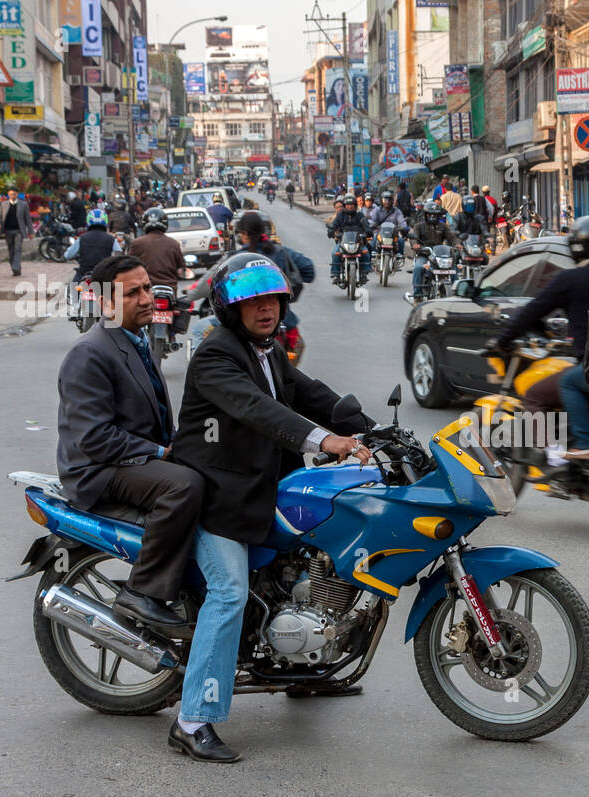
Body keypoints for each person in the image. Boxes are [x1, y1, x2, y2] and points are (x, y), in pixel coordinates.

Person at [168, 253, 375, 762]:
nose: (266, 309)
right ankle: (191, 720)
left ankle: (305, 668)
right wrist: (326, 442)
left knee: (313, 555)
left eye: (273, 300)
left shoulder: (269, 351)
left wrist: (369, 429)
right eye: (253, 302)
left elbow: (308, 394)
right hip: (219, 499)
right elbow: (261, 411)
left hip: (260, 489)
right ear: (230, 308)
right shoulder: (217, 356)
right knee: (230, 593)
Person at [55, 254, 205, 630]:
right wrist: (162, 453)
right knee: (184, 485)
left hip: (128, 459)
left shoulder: (137, 340)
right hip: (97, 470)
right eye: (131, 293)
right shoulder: (89, 352)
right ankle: (142, 592)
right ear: (105, 301)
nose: (145, 298)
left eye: (147, 288)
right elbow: (94, 439)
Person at [495, 215, 589, 460]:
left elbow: (532, 311)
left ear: (576, 246)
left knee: (538, 393)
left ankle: (558, 455)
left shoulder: (570, 279)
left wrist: (502, 340)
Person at [406, 201, 458, 303]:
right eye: (430, 214)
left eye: (434, 214)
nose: (432, 216)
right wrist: (415, 244)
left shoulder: (443, 226)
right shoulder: (419, 226)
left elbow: (452, 238)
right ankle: (417, 295)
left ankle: (457, 293)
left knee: (454, 268)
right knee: (418, 268)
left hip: (439, 255)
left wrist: (457, 244)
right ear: (426, 214)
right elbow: (413, 238)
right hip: (425, 254)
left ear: (438, 215)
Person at [129, 207, 193, 287]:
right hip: (169, 287)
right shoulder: (173, 243)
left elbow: (130, 266)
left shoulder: (137, 243)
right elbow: (181, 270)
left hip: (147, 287)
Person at [326, 194, 371, 287]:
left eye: (351, 204)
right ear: (345, 205)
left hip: (358, 241)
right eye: (347, 204)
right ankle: (336, 274)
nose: (349, 206)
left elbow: (366, 225)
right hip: (343, 241)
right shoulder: (340, 215)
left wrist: (368, 231)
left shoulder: (359, 215)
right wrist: (331, 231)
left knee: (365, 252)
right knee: (335, 253)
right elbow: (334, 225)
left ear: (355, 205)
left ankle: (364, 273)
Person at [64, 209, 122, 281]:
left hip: (84, 274)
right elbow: (119, 258)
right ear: (105, 221)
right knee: (118, 288)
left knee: (73, 289)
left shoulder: (81, 238)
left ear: (88, 221)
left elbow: (67, 255)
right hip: (104, 276)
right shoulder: (112, 239)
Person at [0, 187, 32, 277]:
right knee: (11, 250)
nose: (12, 196)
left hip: (19, 230)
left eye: (14, 194)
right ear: (8, 194)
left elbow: (28, 219)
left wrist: (31, 231)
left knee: (17, 248)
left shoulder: (23, 205)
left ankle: (16, 267)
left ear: (17, 194)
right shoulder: (4, 204)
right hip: (8, 231)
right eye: (11, 194)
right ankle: (14, 268)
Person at [367, 191, 408, 264]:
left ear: (392, 201)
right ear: (381, 200)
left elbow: (402, 221)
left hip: (393, 234)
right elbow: (373, 220)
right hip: (380, 233)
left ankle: (399, 257)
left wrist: (404, 227)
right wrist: (372, 225)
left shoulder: (397, 211)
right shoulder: (377, 210)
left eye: (389, 200)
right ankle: (372, 256)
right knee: (374, 239)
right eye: (385, 200)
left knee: (401, 241)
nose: (387, 202)